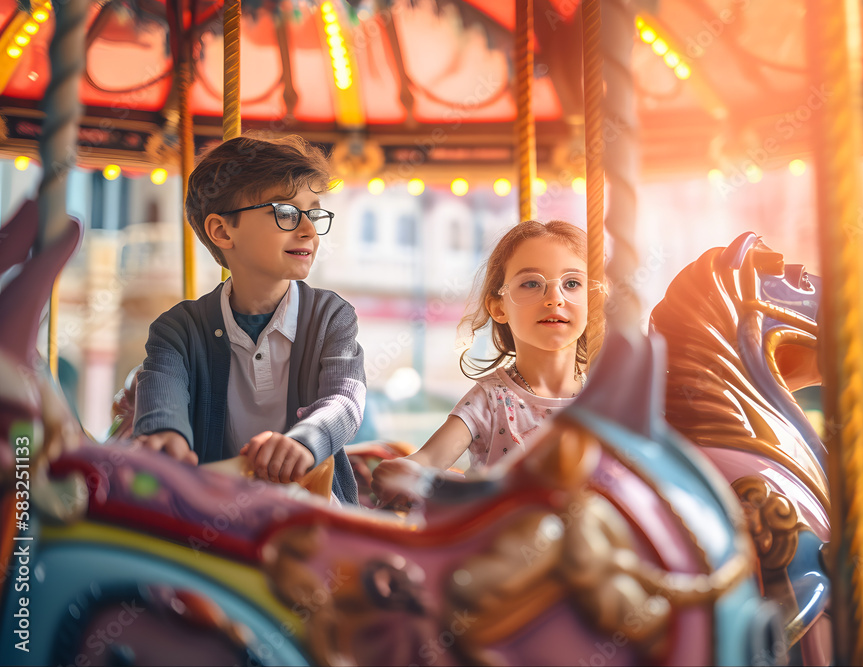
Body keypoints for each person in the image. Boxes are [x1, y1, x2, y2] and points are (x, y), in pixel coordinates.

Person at [132, 135, 366, 505]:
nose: (307, 229)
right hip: (215, 506)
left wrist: (305, 442)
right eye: (286, 213)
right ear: (223, 231)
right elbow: (163, 386)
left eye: (314, 213)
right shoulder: (178, 329)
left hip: (310, 506)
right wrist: (166, 433)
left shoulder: (331, 317)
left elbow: (344, 399)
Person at [370, 220, 603, 508]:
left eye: (572, 283)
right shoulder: (492, 399)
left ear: (592, 300)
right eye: (531, 283)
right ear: (499, 307)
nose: (555, 298)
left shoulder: (601, 402)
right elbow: (431, 458)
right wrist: (407, 469)